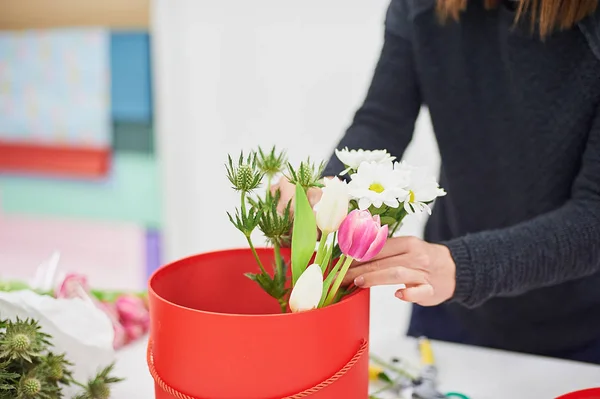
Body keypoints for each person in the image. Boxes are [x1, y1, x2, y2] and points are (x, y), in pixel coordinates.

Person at [274, 0, 600, 364]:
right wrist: (329, 192)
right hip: (445, 306)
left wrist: (463, 267)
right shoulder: (421, 7)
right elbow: (382, 121)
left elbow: (594, 212)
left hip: (578, 332)